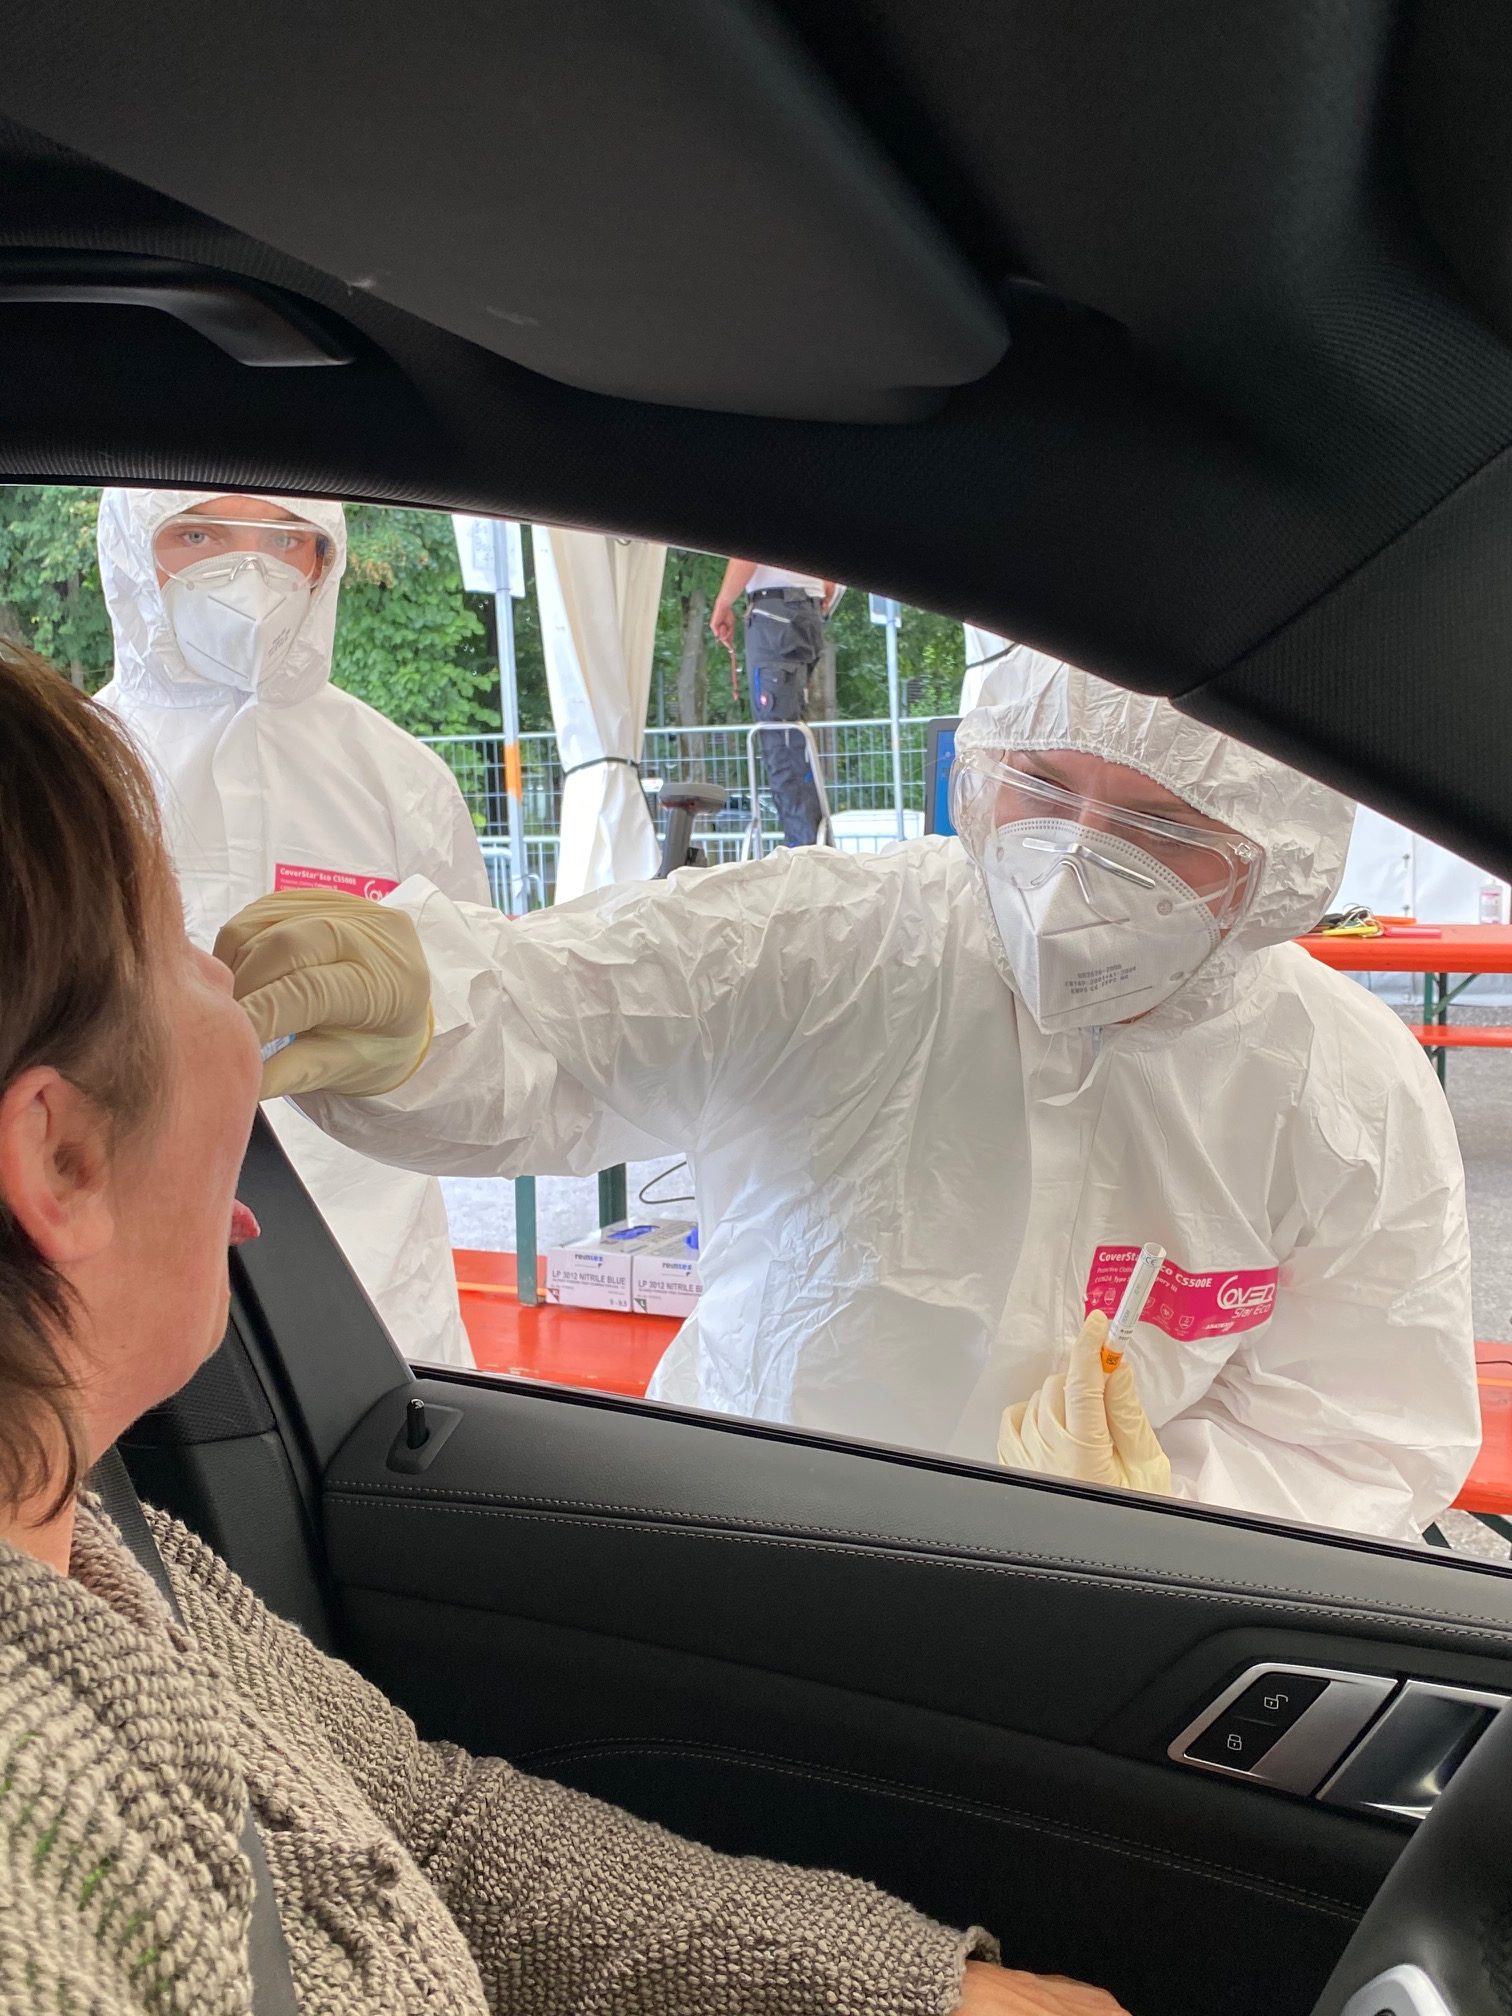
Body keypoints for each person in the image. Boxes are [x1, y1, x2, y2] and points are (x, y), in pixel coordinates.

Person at [0, 641, 1126, 2016]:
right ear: (60, 1161)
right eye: (179, 944)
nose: (229, 989)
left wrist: (920, 1996)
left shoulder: (101, 1546)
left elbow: (424, 1831)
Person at [218, 653, 1481, 1543]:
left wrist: (1162, 1519)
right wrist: (429, 1005)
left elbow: (1364, 1426)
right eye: (1044, 789)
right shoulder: (840, 940)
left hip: (1101, 1626)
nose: (1072, 868)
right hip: (752, 1552)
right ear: (981, 770)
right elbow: (566, 1015)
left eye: (1161, 830)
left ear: (1272, 866)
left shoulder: (1341, 1090)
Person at [95, 487, 489, 1368]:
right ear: (131, 549)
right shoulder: (71, 776)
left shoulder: (400, 782)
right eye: (200, 535)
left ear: (324, 559)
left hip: (375, 1284)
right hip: (108, 1276)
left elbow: (480, 1028)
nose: (249, 574)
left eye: (283, 541)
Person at [711, 557, 839, 846]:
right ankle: (815, 846)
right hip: (805, 611)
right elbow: (829, 587)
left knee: (780, 741)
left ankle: (805, 852)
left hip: (774, 616)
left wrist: (723, 602)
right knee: (792, 737)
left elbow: (746, 555)